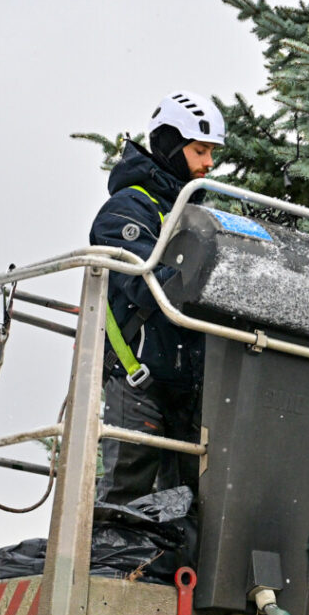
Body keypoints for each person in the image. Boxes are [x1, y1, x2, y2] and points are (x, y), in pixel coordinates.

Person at [90, 91, 224, 505]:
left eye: (212, 153)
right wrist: (208, 281)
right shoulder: (128, 208)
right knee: (125, 491)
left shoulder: (195, 215)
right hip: (140, 379)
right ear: (169, 146)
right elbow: (142, 278)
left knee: (191, 500)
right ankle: (106, 563)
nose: (209, 164)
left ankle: (169, 568)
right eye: (200, 150)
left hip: (191, 383)